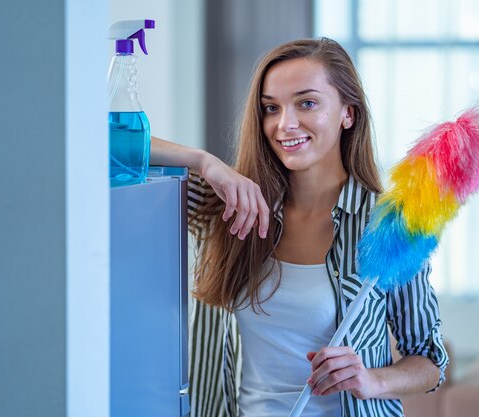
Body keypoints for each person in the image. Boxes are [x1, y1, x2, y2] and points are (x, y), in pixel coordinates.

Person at [151, 37, 448, 417]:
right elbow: (104, 143)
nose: (285, 124)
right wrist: (203, 161)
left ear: (348, 113)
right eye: (271, 108)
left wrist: (372, 381)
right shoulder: (229, 204)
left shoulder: (390, 225)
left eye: (307, 103)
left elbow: (428, 359)